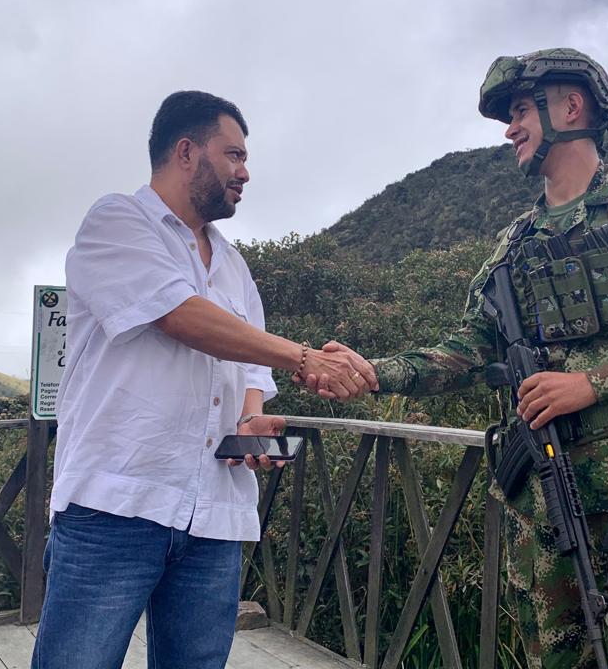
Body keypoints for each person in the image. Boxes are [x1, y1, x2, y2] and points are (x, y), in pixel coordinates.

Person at [306, 49, 608, 667]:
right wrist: (377, 372)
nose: (509, 129)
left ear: (571, 106)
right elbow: (471, 345)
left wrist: (589, 383)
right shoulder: (517, 243)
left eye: (519, 111)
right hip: (543, 498)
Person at [31, 90, 377, 669]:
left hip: (215, 513)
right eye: (234, 155)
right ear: (186, 151)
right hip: (116, 502)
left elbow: (249, 370)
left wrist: (251, 423)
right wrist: (307, 357)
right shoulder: (116, 221)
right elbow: (179, 314)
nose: (245, 173)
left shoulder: (234, 265)